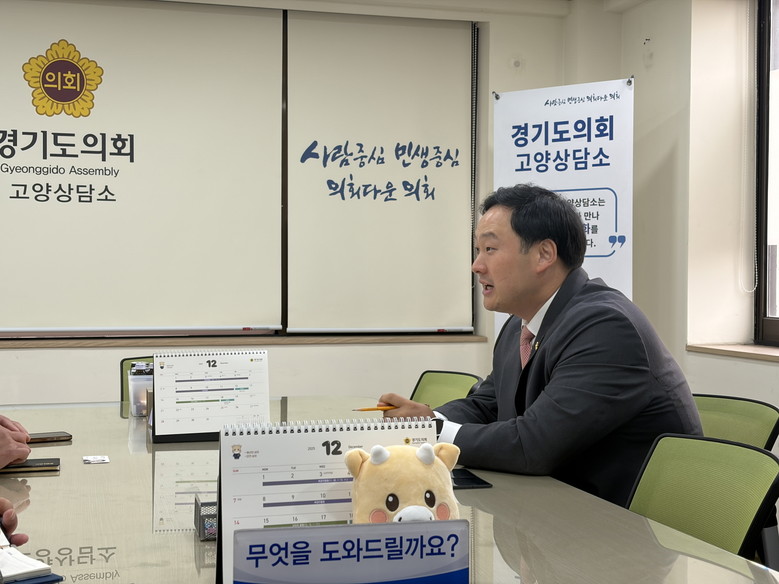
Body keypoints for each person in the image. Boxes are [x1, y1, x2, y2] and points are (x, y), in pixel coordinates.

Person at [379, 183, 702, 506]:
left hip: (625, 524)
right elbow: (487, 405)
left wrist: (434, 431)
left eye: (490, 249)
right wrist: (424, 422)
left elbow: (533, 446)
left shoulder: (606, 327)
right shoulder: (519, 325)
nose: (477, 265)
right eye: (478, 251)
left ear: (544, 254)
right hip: (555, 507)